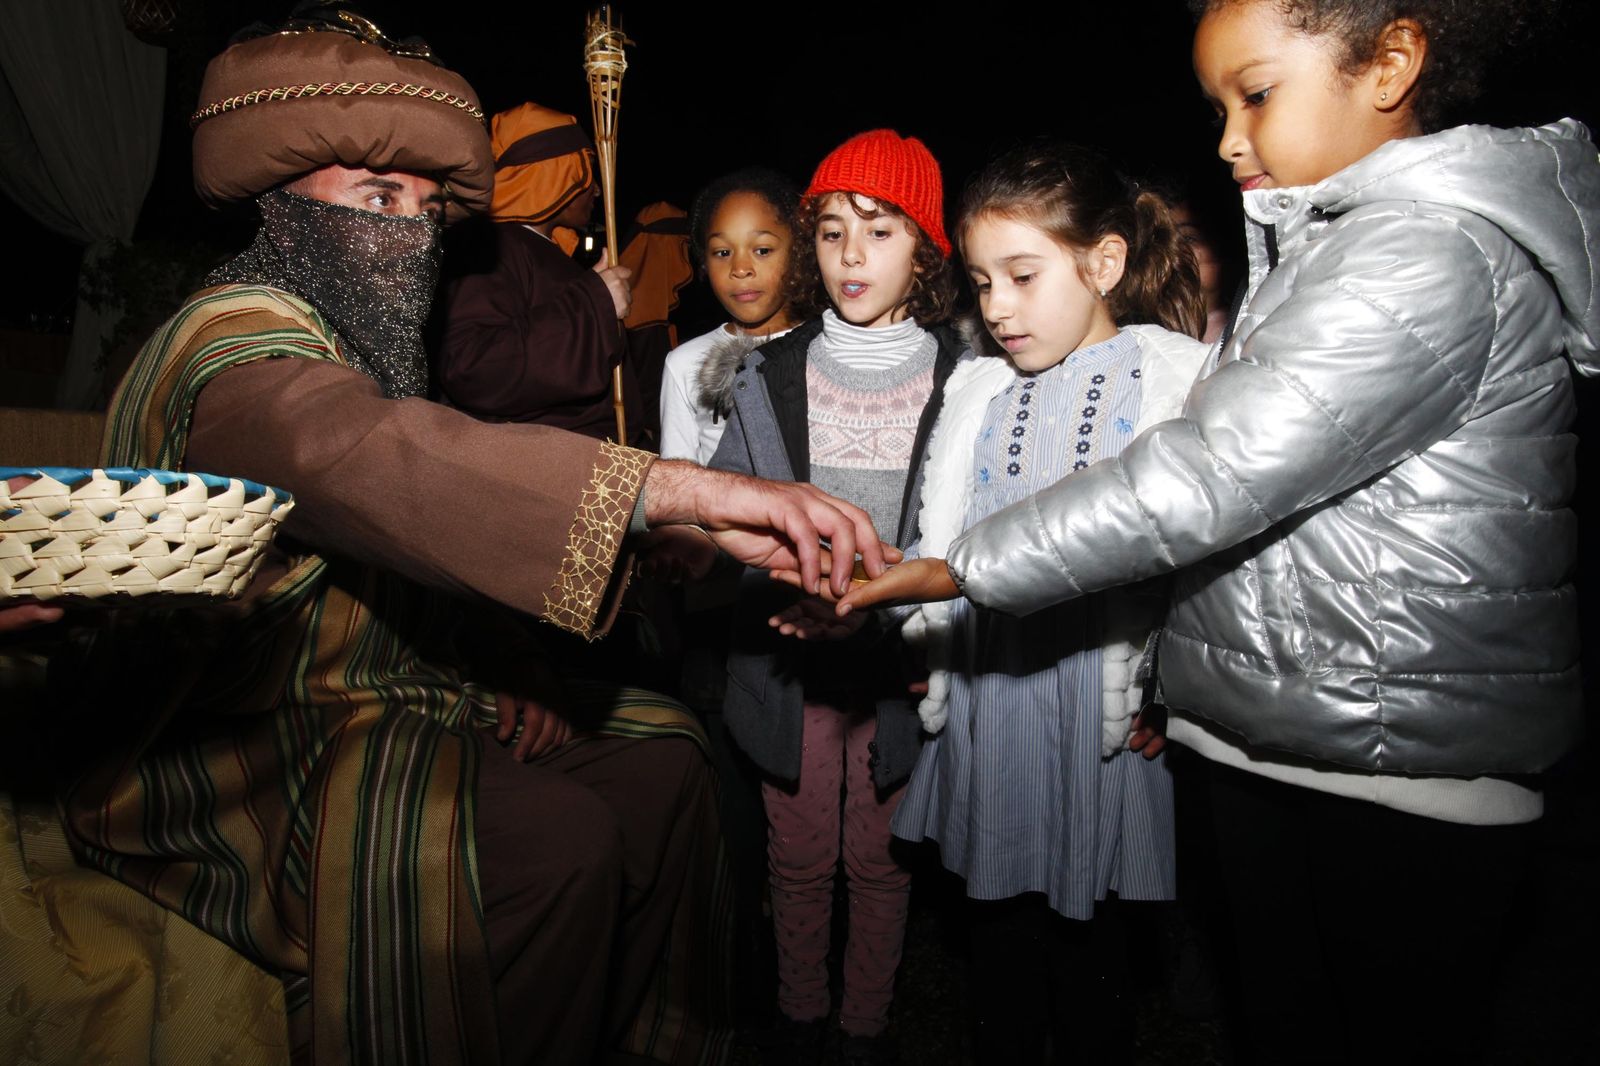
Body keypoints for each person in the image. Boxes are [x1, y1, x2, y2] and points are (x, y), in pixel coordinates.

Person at [53, 15, 891, 1066]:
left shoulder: (364, 340)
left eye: (419, 204)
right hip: (235, 739)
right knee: (557, 847)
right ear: (281, 204)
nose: (406, 228)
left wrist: (509, 660)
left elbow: (410, 552)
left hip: (402, 689)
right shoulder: (234, 344)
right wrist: (675, 489)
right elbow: (376, 461)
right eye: (372, 197)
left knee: (670, 763)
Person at [835, 1, 1599, 1062]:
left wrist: (953, 569)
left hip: (1390, 764)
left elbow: (1210, 476)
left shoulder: (1425, 255)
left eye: (1257, 94)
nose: (1229, 138)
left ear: (1391, 64)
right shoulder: (1335, 244)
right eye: (1217, 106)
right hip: (1313, 736)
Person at [890, 143, 1206, 1064]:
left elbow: (1200, 560)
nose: (995, 307)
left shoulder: (1174, 379)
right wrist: (928, 639)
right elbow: (939, 531)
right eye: (983, 281)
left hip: (1096, 712)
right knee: (998, 947)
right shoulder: (978, 387)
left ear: (1103, 263)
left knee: (1091, 955)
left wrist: (1170, 685)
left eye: (1023, 276)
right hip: (994, 700)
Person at [709, 130, 962, 1065]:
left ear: (926, 249)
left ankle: (864, 1028)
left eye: (880, 229)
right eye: (828, 230)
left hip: (901, 658)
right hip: (792, 655)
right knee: (801, 851)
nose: (851, 255)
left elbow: (968, 529)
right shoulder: (765, 373)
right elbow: (728, 503)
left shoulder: (964, 376)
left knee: (883, 857)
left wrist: (898, 602)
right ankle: (800, 1016)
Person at [435, 101, 643, 442]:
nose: (596, 189)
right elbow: (474, 367)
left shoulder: (544, 251)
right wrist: (596, 303)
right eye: (586, 172)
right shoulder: (491, 247)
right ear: (557, 175)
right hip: (544, 467)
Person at [660, 168, 803, 464]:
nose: (740, 268)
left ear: (799, 252)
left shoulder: (827, 348)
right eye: (722, 253)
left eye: (762, 250)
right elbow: (681, 486)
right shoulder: (684, 363)